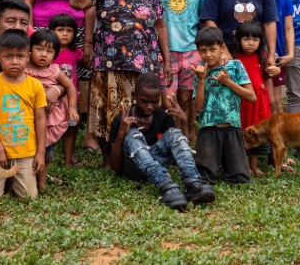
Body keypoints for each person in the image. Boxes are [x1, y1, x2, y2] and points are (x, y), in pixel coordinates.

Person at [69, 0, 171, 161]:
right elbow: (76, 2)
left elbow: (161, 27)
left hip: (144, 66)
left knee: (144, 112)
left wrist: (167, 61)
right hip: (109, 63)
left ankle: (142, 157)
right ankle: (109, 160)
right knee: (108, 115)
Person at [23, 0, 96, 151]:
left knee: (75, 82)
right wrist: (30, 32)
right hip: (42, 35)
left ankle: (70, 132)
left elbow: (90, 8)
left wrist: (87, 42)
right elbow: (28, 1)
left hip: (76, 35)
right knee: (42, 81)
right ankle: (39, 138)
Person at [108, 73, 216, 210]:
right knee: (133, 134)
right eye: (144, 101)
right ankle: (166, 185)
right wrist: (122, 133)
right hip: (133, 168)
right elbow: (115, 166)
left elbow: (177, 147)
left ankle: (193, 183)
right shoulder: (122, 119)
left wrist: (182, 121)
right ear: (134, 96)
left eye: (154, 102)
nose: (149, 106)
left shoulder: (161, 115)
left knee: (174, 133)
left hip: (157, 162)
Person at [0, 29, 45, 200]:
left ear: (28, 57)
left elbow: (41, 118)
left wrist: (40, 152)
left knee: (29, 197)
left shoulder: (35, 86)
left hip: (25, 151)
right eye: (8, 56)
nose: (14, 62)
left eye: (20, 56)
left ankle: (16, 181)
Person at [149, 0, 207, 140]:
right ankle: (171, 135)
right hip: (167, 50)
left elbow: (203, 20)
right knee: (167, 99)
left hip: (192, 50)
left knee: (185, 97)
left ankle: (186, 132)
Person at [192, 27, 256, 184]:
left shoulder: (235, 66)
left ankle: (227, 165)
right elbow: (198, 108)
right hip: (208, 129)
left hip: (232, 128)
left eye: (212, 49)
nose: (208, 55)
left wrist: (228, 82)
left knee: (240, 177)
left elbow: (252, 97)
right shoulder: (200, 71)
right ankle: (213, 164)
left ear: (222, 47)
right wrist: (201, 80)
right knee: (205, 178)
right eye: (203, 51)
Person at [24, 29, 78, 192]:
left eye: (49, 51)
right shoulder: (23, 69)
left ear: (54, 54)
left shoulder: (54, 71)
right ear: (29, 50)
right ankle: (25, 179)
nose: (43, 54)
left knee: (46, 152)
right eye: (39, 49)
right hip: (27, 117)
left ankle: (42, 183)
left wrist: (72, 107)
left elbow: (70, 86)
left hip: (48, 119)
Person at [251, 0, 295, 114]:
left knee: (274, 101)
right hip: (253, 53)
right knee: (258, 97)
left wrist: (290, 54)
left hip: (277, 55)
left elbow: (288, 29)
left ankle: (278, 137)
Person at [233, 21, 277, 176]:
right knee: (243, 133)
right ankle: (244, 166)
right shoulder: (235, 57)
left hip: (260, 102)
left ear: (260, 41)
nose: (251, 43)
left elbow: (272, 72)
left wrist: (276, 70)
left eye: (255, 40)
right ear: (238, 40)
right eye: (246, 39)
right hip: (243, 102)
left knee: (257, 133)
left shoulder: (263, 56)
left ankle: (254, 165)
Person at [49, 13, 82, 166]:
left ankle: (68, 160)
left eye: (69, 30)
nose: (64, 34)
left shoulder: (76, 52)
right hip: (51, 99)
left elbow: (85, 63)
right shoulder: (48, 52)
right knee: (50, 127)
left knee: (70, 128)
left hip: (71, 99)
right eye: (60, 30)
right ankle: (47, 158)